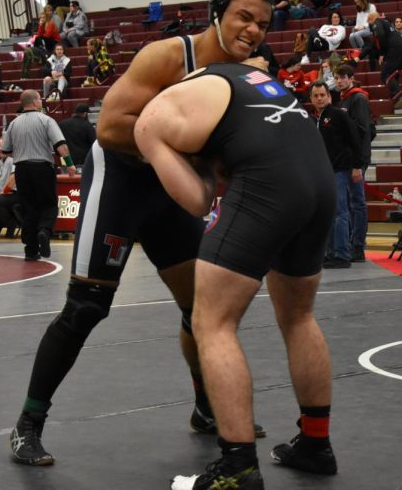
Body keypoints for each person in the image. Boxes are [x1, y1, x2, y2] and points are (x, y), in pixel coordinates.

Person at [8, 0, 273, 467]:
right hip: (123, 179)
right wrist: (183, 149)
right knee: (86, 306)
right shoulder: (170, 56)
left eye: (262, 23)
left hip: (169, 188)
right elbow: (109, 128)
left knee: (203, 309)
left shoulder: (245, 73)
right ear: (218, 13)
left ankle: (205, 405)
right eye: (244, 17)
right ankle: (28, 423)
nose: (254, 30)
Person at [132, 63, 338, 490]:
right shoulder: (242, 78)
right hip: (319, 179)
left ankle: (237, 466)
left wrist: (201, 165)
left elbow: (197, 201)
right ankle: (316, 445)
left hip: (270, 185)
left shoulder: (153, 117)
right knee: (299, 316)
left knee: (213, 322)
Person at [1, 90, 75, 260]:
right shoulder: (46, 120)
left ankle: (31, 250)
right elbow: (61, 145)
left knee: (28, 208)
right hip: (42, 168)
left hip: (22, 170)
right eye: (40, 100)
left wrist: (22, 152)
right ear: (35, 102)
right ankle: (44, 231)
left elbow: (5, 151)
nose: (41, 102)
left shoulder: (14, 123)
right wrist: (70, 165)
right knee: (49, 204)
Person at [309, 81, 362, 269]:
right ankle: (331, 253)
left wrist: (357, 166)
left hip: (339, 169)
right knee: (329, 213)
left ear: (329, 96)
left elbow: (356, 138)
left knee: (340, 212)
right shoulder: (315, 119)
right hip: (324, 172)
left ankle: (342, 254)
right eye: (316, 95)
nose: (319, 98)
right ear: (311, 98)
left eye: (322, 95)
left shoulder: (338, 115)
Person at [334, 65, 372, 263]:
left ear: (351, 78)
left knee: (357, 202)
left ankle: (358, 245)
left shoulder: (358, 99)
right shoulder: (345, 98)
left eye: (342, 77)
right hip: (347, 157)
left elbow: (363, 131)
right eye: (336, 77)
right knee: (350, 202)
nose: (339, 81)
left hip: (356, 158)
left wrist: (359, 161)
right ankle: (351, 241)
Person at [58, 103, 96, 167]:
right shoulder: (87, 125)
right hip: (83, 161)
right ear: (85, 113)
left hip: (66, 160)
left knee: (65, 177)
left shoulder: (62, 124)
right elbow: (94, 143)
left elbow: (57, 142)